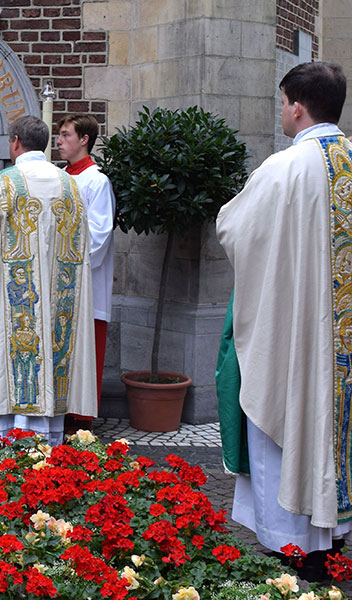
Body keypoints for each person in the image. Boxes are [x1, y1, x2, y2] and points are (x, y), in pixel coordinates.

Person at [216, 61, 351, 576]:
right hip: (343, 339)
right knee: (338, 428)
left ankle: (292, 544)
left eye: (282, 103)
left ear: (297, 106)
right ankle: (334, 538)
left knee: (287, 425)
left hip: (296, 335)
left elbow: (234, 231)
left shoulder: (283, 168)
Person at [0, 115, 97, 445]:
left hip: (11, 300)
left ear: (15, 142)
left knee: (3, 375)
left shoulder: (2, 184)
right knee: (49, 365)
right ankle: (43, 450)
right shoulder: (71, 186)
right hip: (56, 303)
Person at [56, 114, 115, 429]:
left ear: (84, 140)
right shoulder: (60, 178)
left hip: (85, 283)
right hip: (59, 282)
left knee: (85, 351)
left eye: (66, 135)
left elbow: (99, 233)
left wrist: (69, 264)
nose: (59, 141)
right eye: (60, 135)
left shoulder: (97, 180)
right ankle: (61, 409)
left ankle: (80, 419)